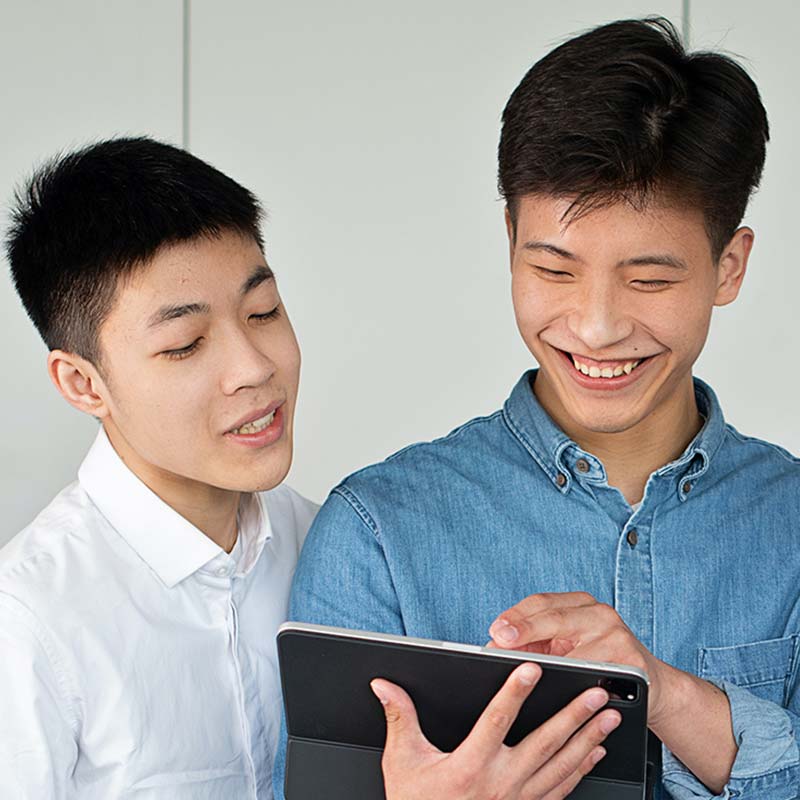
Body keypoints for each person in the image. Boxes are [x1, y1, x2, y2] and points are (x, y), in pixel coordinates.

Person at [276, 17, 799, 800]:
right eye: (553, 269)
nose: (596, 326)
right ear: (510, 240)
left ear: (730, 266)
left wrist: (665, 692)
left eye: (649, 280)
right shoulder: (378, 532)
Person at [0, 137, 318, 798]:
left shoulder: (333, 544)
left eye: (264, 312)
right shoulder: (28, 621)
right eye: (185, 345)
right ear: (84, 385)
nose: (255, 368)